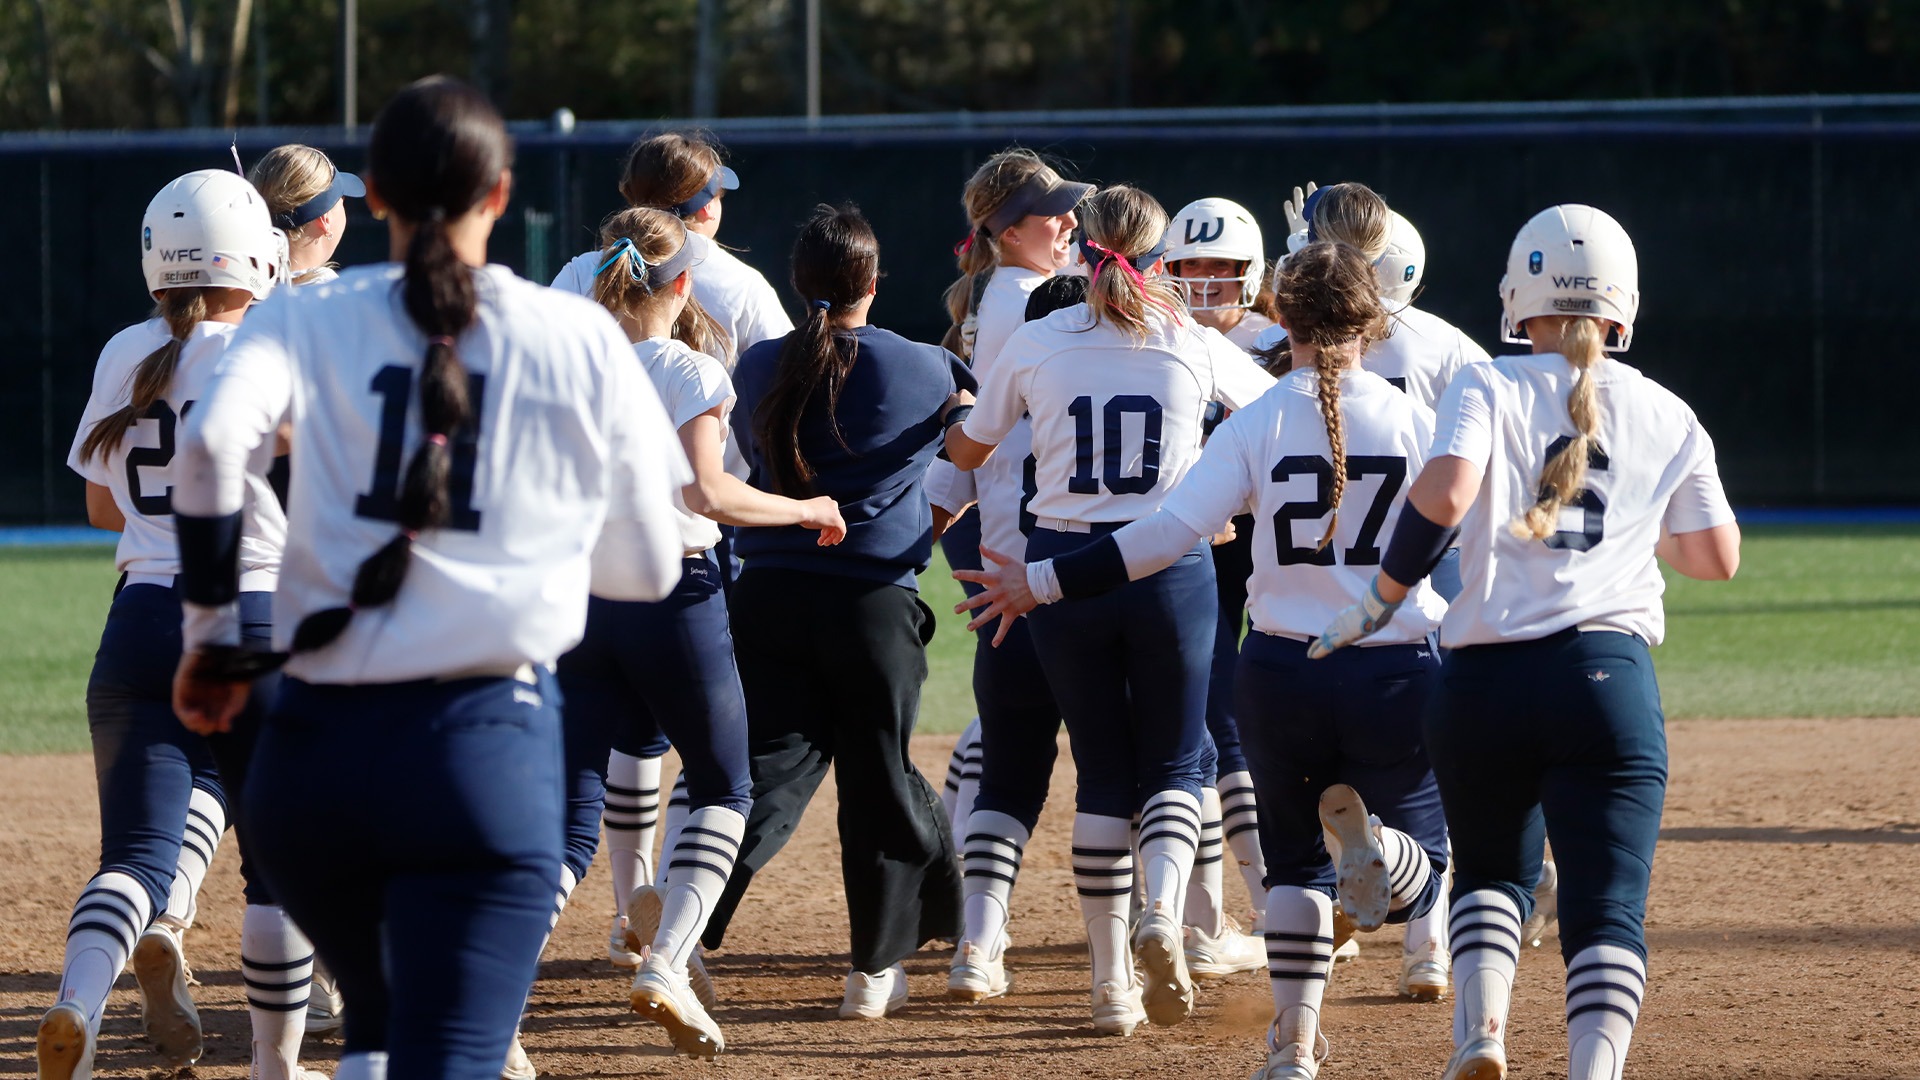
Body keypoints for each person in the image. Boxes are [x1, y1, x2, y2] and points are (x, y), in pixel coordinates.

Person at [168, 76, 689, 1080]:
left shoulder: (299, 319)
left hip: (311, 759)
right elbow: (648, 567)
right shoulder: (577, 334)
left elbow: (206, 457)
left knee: (376, 1028)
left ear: (374, 200)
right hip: (479, 750)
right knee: (448, 1056)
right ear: (500, 196)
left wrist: (207, 633)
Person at [954, 241, 1452, 1079]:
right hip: (1390, 665)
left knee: (1293, 869)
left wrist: (1042, 579)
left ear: (1279, 316)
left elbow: (1158, 537)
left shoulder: (1258, 422)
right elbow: (1469, 540)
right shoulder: (1416, 422)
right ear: (1375, 319)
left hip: (1281, 669)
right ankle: (1389, 857)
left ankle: (1292, 1049)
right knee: (1430, 868)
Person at [1308, 204, 1741, 1080]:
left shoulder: (1485, 382)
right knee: (1606, 905)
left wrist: (1384, 596)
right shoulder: (1668, 410)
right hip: (1606, 681)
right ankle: (1594, 1071)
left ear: (1518, 300)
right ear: (1624, 308)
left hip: (1483, 682)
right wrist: (1630, 524)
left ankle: (1481, 1036)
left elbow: (1447, 492)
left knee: (1492, 878)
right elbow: (1715, 558)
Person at [947, 184, 1275, 1036]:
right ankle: (1162, 914)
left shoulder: (1038, 338)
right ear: (1157, 259)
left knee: (1100, 770)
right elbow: (1272, 418)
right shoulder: (1190, 339)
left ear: (1081, 252)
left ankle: (1109, 985)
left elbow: (973, 447)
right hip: (1168, 561)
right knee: (1174, 763)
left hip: (1060, 566)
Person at [558, 206, 846, 1058]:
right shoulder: (690, 368)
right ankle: (668, 963)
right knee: (724, 787)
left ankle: (490, 1005)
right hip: (673, 595)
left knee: (569, 820)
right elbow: (709, 495)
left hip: (577, 599)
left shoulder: (567, 371)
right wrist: (804, 510)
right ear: (682, 283)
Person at [36, 168, 291, 1080]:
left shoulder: (123, 352)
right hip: (251, 613)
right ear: (259, 254)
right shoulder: (271, 348)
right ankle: (274, 1062)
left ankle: (75, 1001)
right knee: (278, 866)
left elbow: (107, 512)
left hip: (138, 620)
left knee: (135, 858)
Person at [701, 203, 972, 1020]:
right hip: (871, 605)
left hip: (768, 595)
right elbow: (971, 448)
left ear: (797, 282)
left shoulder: (757, 368)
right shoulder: (927, 366)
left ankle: (684, 921)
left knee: (769, 773)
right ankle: (871, 970)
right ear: (875, 283)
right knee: (878, 777)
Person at [550, 132, 794, 915]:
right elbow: (776, 404)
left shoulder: (576, 274)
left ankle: (630, 900)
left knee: (603, 758)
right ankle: (661, 927)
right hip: (692, 549)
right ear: (702, 209)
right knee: (712, 766)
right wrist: (802, 504)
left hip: (581, 562)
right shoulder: (732, 288)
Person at [1259, 184, 1493, 993]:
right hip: (1433, 561)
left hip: (1303, 592)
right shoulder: (1444, 343)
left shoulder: (1286, 340)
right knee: (1435, 769)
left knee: (1317, 771)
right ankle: (1428, 943)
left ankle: (1323, 915)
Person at [925, 148, 1090, 1002]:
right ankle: (1152, 940)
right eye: (1048, 211)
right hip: (1067, 553)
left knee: (1013, 753)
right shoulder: (1043, 302)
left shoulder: (997, 297)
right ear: (1001, 227)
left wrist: (932, 515)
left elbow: (968, 447)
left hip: (1004, 553)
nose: (1067, 221)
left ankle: (977, 946)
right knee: (1133, 756)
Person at [247, 139, 366, 1040]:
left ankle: (309, 980)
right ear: (321, 222)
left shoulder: (228, 314)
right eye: (340, 204)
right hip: (342, 575)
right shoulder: (353, 311)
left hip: (252, 579)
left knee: (279, 792)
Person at [1168, 195, 1284, 964]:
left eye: (1222, 268)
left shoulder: (1280, 342)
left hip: (1268, 548)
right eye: (1192, 267)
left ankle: (1287, 891)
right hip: (1191, 545)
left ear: (1253, 275)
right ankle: (1265, 895)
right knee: (1212, 714)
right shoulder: (1160, 336)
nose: (1207, 283)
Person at [1166, 196, 1279, 350]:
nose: (1204, 274)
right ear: (1174, 270)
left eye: (1220, 263)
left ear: (1247, 270)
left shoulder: (1272, 338)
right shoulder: (1164, 336)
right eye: (1191, 263)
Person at [249, 144, 365, 287]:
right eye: (341, 199)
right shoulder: (342, 297)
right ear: (325, 219)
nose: (344, 203)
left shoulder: (239, 294)